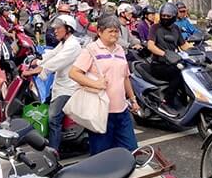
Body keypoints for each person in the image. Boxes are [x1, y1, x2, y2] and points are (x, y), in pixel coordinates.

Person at [69, 16, 140, 155]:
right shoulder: (91, 50)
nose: (114, 34)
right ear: (100, 32)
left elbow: (125, 77)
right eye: (110, 31)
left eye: (116, 31)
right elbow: (74, 73)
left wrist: (133, 99)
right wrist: (95, 84)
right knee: (102, 155)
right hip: (101, 112)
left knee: (131, 150)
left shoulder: (119, 49)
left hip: (122, 111)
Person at [22, 15, 81, 152]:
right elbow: (51, 54)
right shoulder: (64, 43)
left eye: (58, 28)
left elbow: (57, 61)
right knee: (45, 108)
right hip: (59, 85)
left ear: (68, 29)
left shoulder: (73, 45)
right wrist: (35, 61)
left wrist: (37, 70)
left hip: (68, 88)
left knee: (53, 118)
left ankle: (54, 151)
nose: (55, 31)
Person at [147, 3, 192, 116]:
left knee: (188, 73)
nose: (166, 18)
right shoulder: (155, 28)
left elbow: (184, 45)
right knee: (178, 74)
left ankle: (183, 103)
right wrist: (164, 54)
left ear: (174, 17)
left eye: (168, 16)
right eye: (164, 16)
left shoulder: (176, 28)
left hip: (173, 62)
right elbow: (150, 46)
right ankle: (166, 103)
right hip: (158, 65)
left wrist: (198, 50)